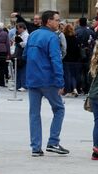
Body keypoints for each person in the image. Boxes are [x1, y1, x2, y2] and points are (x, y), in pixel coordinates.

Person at [23, 10, 69, 157]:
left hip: (32, 79)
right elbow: (56, 60)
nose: (59, 23)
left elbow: (25, 56)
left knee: (34, 114)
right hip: (48, 79)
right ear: (48, 21)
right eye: (57, 20)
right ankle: (53, 141)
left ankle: (36, 147)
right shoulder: (52, 37)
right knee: (59, 109)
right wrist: (60, 81)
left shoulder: (32, 35)